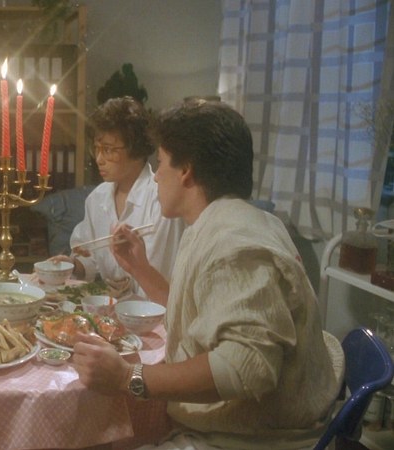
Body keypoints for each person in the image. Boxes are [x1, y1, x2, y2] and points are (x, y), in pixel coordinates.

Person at [73, 99, 341, 449]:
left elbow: (246, 367)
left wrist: (128, 377)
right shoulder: (227, 221)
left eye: (162, 162)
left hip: (245, 441)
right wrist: (140, 268)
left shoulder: (234, 242)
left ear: (186, 170)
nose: (157, 175)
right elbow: (201, 316)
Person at [53, 97, 184, 297]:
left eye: (108, 150)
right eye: (96, 149)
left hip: (152, 309)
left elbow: (162, 278)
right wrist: (73, 265)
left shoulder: (161, 201)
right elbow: (90, 257)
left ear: (136, 149)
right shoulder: (97, 199)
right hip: (110, 308)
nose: (99, 159)